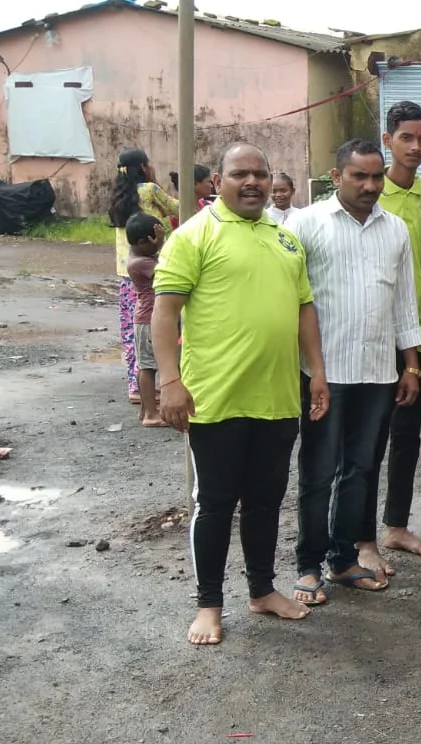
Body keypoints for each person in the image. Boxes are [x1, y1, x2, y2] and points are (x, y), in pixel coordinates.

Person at [152, 142, 328, 646]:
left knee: (267, 500)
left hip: (275, 396)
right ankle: (209, 605)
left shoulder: (284, 237)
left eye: (259, 173)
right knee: (215, 503)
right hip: (215, 398)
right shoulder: (194, 236)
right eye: (239, 174)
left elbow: (304, 309)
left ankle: (262, 591)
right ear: (220, 181)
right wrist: (169, 382)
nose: (251, 182)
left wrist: (316, 372)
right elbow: (164, 313)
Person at [288, 139, 421, 603]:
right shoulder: (305, 223)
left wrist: (410, 364)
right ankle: (308, 564)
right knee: (319, 469)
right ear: (336, 175)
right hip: (324, 371)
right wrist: (305, 370)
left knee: (361, 469)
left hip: (378, 371)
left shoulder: (396, 229)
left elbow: (403, 301)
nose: (369, 186)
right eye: (359, 176)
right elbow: (294, 300)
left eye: (376, 176)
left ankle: (344, 559)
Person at [367, 100, 421, 568]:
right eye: (407, 138)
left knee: (408, 436)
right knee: (365, 442)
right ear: (387, 141)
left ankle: (395, 526)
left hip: (415, 337)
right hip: (370, 340)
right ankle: (360, 540)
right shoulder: (369, 194)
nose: (416, 147)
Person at [110, 148, 177, 403]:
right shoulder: (149, 190)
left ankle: (135, 386)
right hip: (150, 269)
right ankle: (156, 383)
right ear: (143, 167)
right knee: (157, 329)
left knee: (131, 333)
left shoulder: (118, 196)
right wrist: (157, 183)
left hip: (126, 272)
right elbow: (177, 207)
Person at [124, 213, 167, 428]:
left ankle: (145, 410)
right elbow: (168, 271)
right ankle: (151, 413)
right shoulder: (141, 262)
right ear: (142, 243)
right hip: (149, 318)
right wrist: (164, 244)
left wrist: (157, 245)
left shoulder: (140, 256)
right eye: (153, 242)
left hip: (146, 317)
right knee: (149, 367)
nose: (156, 246)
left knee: (146, 365)